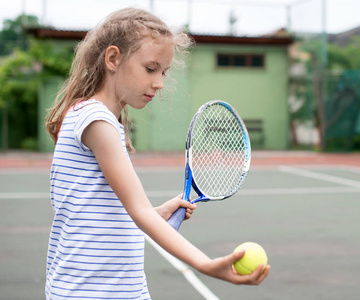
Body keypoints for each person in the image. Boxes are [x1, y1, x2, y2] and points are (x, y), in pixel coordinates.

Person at [44, 7, 270, 299]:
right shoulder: (97, 121)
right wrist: (206, 264)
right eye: (150, 68)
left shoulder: (92, 117)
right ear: (113, 59)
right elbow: (138, 212)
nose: (159, 82)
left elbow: (107, 214)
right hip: (91, 292)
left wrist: (158, 213)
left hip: (111, 289)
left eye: (163, 72)